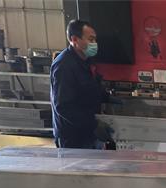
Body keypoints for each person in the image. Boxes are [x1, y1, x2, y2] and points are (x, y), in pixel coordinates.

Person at [50, 20, 117, 149]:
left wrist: (108, 98)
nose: (94, 44)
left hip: (88, 134)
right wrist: (93, 125)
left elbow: (90, 88)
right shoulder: (64, 66)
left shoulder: (86, 61)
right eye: (90, 39)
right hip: (73, 138)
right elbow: (63, 107)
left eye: (95, 40)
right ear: (74, 39)